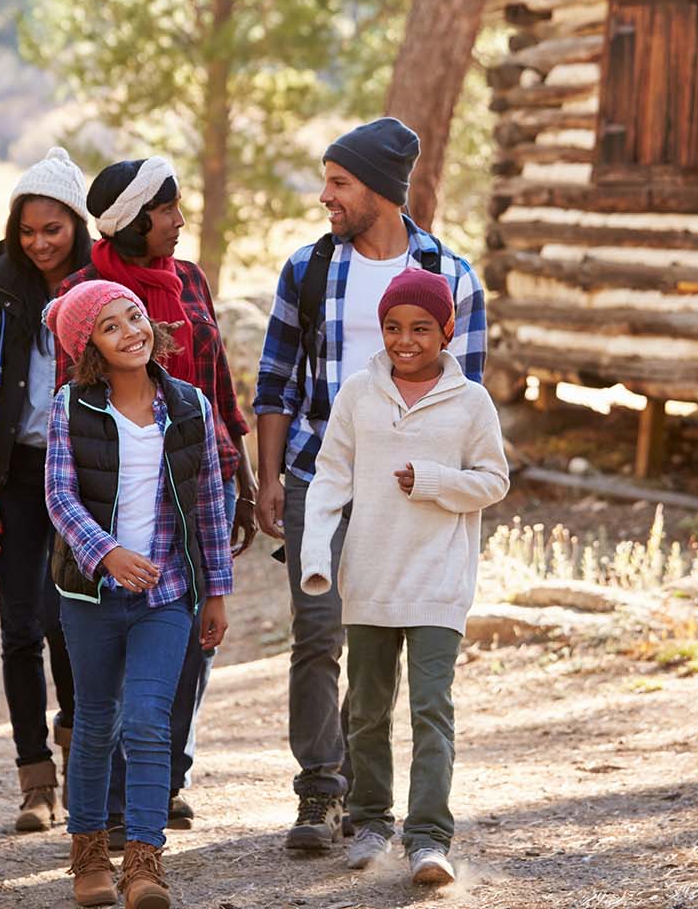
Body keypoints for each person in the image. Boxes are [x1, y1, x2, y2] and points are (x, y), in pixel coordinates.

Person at [253, 117, 489, 850]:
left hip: (407, 491)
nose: (325, 196)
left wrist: (446, 489)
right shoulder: (309, 269)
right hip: (315, 474)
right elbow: (274, 383)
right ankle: (319, 795)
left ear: (380, 192)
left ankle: (368, 799)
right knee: (317, 636)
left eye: (338, 182)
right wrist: (268, 478)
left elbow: (466, 399)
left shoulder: (453, 277)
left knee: (381, 637)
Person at [53, 157, 256, 842]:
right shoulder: (87, 290)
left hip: (200, 475)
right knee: (108, 683)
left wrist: (242, 471)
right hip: (119, 492)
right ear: (137, 222)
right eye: (167, 210)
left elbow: (219, 380)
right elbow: (75, 410)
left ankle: (163, 781)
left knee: (188, 643)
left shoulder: (190, 278)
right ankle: (109, 808)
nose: (178, 220)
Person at [301, 269, 508, 886]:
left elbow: (494, 481)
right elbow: (330, 477)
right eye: (393, 328)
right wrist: (317, 559)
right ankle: (369, 823)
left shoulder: (471, 402)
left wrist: (439, 481)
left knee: (430, 711)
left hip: (439, 579)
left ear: (447, 330)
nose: (405, 340)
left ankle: (427, 839)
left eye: (421, 328)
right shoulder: (359, 394)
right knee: (365, 709)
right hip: (369, 575)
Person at [43, 279, 233, 909]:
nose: (132, 332)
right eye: (112, 327)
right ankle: (89, 857)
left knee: (151, 723)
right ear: (89, 347)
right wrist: (107, 554)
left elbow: (208, 505)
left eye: (136, 317)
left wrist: (216, 592)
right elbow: (60, 498)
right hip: (90, 598)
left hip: (168, 595)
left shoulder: (191, 408)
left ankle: (145, 865)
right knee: (96, 723)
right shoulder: (71, 406)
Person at [0, 148, 92, 831]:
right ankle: (33, 780)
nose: (39, 243)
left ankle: (79, 756)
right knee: (19, 626)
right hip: (16, 472)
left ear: (76, 223)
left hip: (83, 475)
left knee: (66, 618)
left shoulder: (100, 286)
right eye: (27, 231)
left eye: (53, 228)